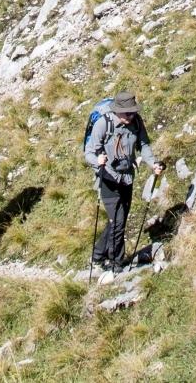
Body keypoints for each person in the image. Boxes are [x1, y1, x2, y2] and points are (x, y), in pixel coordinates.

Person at [83, 91, 163, 272]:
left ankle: (97, 256)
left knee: (119, 219)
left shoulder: (136, 122)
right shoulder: (104, 124)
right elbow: (89, 152)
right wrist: (97, 161)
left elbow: (144, 145)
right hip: (108, 177)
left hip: (127, 177)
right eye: (128, 112)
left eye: (133, 111)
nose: (132, 115)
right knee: (118, 221)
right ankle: (116, 264)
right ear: (118, 111)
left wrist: (153, 164)